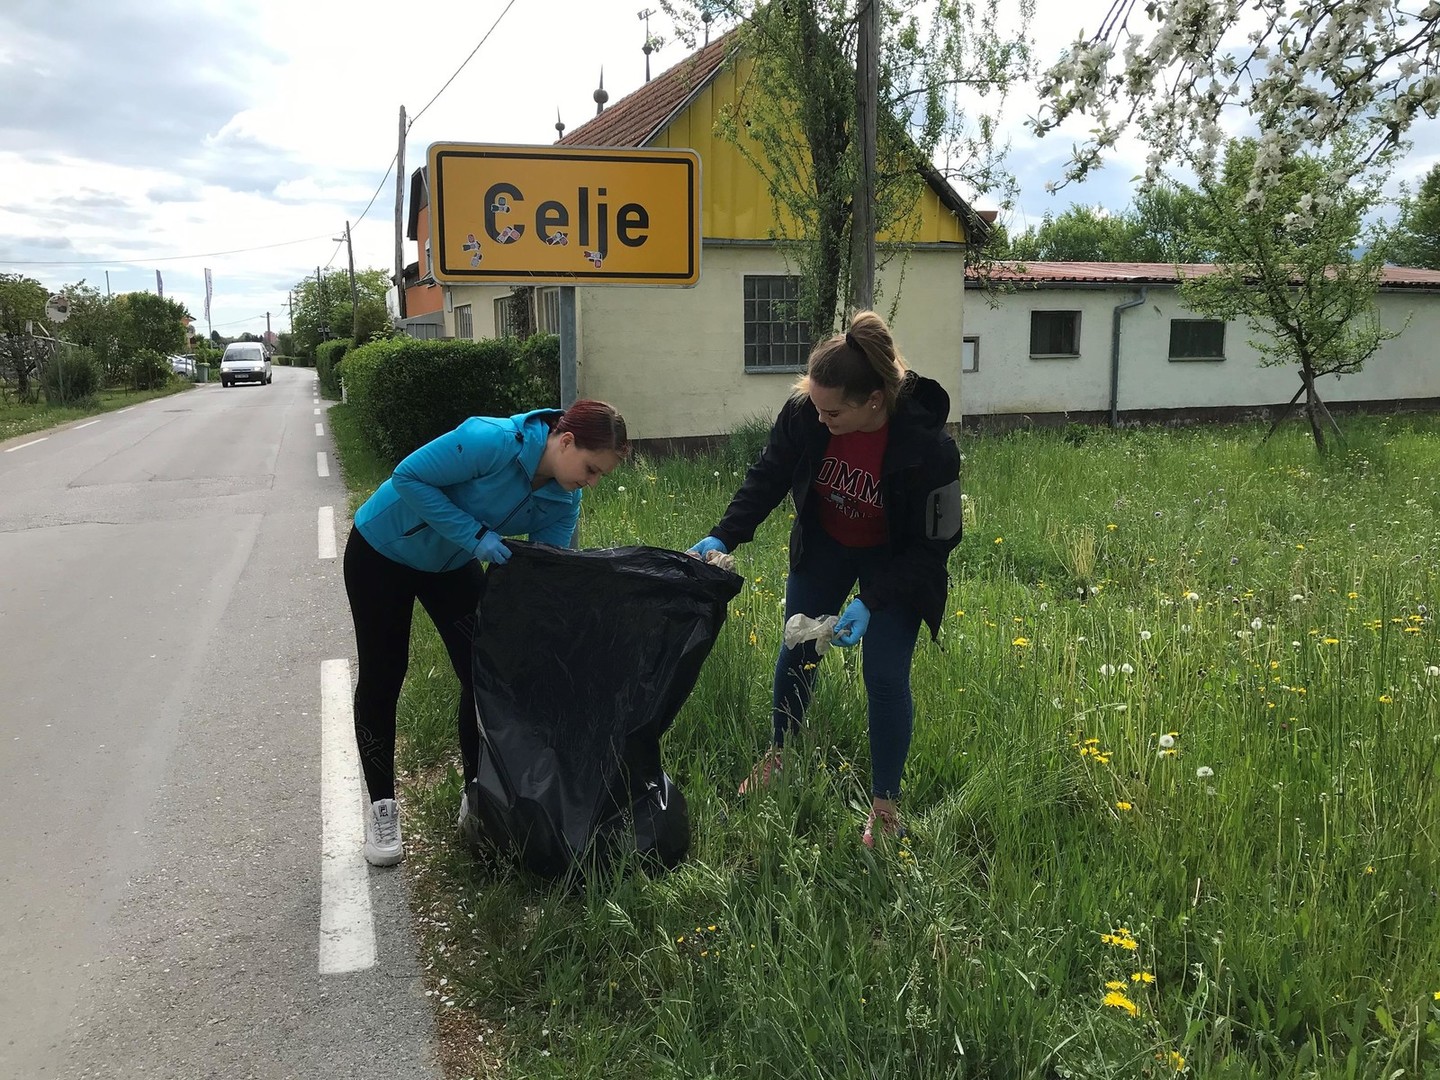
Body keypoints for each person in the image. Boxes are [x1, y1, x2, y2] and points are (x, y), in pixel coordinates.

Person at [688, 311, 962, 846]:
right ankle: (780, 756)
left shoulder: (929, 449)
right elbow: (768, 476)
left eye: (832, 410)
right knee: (797, 652)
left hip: (894, 564)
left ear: (874, 401)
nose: (820, 418)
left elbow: (936, 549)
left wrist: (873, 599)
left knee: (884, 675)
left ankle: (884, 807)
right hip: (826, 548)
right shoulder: (806, 413)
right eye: (814, 404)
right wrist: (725, 535)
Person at [345, 400, 629, 866]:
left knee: (484, 674)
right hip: (383, 551)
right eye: (592, 469)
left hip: (450, 565)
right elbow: (407, 477)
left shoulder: (565, 498)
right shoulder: (492, 440)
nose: (592, 482)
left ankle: (475, 799)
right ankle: (382, 809)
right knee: (384, 674)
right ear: (566, 440)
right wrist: (476, 537)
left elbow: (544, 574)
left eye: (601, 475)